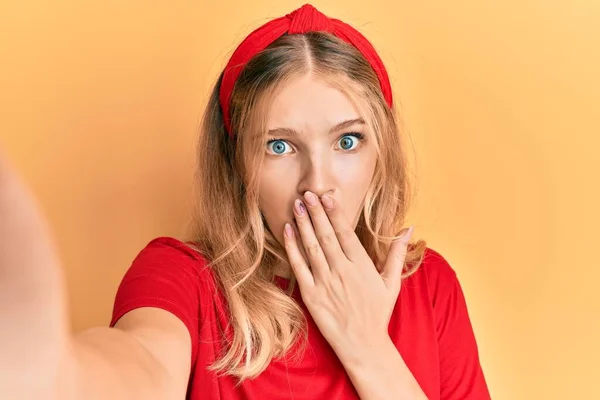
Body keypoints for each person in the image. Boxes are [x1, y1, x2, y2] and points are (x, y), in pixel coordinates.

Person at [0, 3, 491, 400]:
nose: (317, 184)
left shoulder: (429, 288)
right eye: (279, 146)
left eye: (347, 141)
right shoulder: (184, 279)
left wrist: (366, 345)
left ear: (381, 151)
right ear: (238, 167)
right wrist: (53, 374)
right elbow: (141, 360)